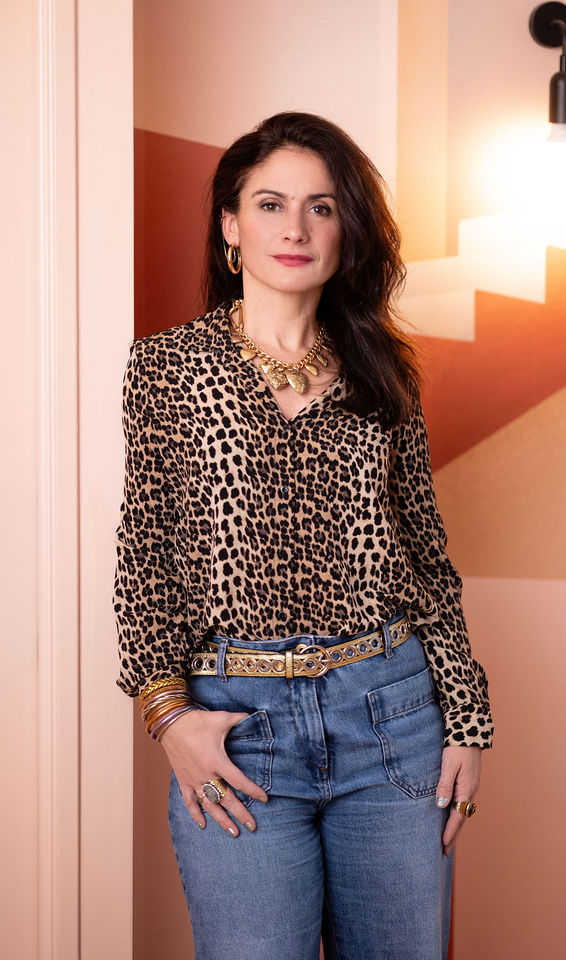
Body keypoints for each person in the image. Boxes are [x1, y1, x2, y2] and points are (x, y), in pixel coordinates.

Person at [113, 111, 493, 960]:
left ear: (346, 231)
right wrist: (168, 715)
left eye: (322, 207)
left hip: (390, 717)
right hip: (239, 730)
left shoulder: (385, 370)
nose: (296, 226)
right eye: (272, 202)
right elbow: (146, 554)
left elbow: (426, 557)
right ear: (230, 226)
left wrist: (467, 717)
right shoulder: (166, 368)